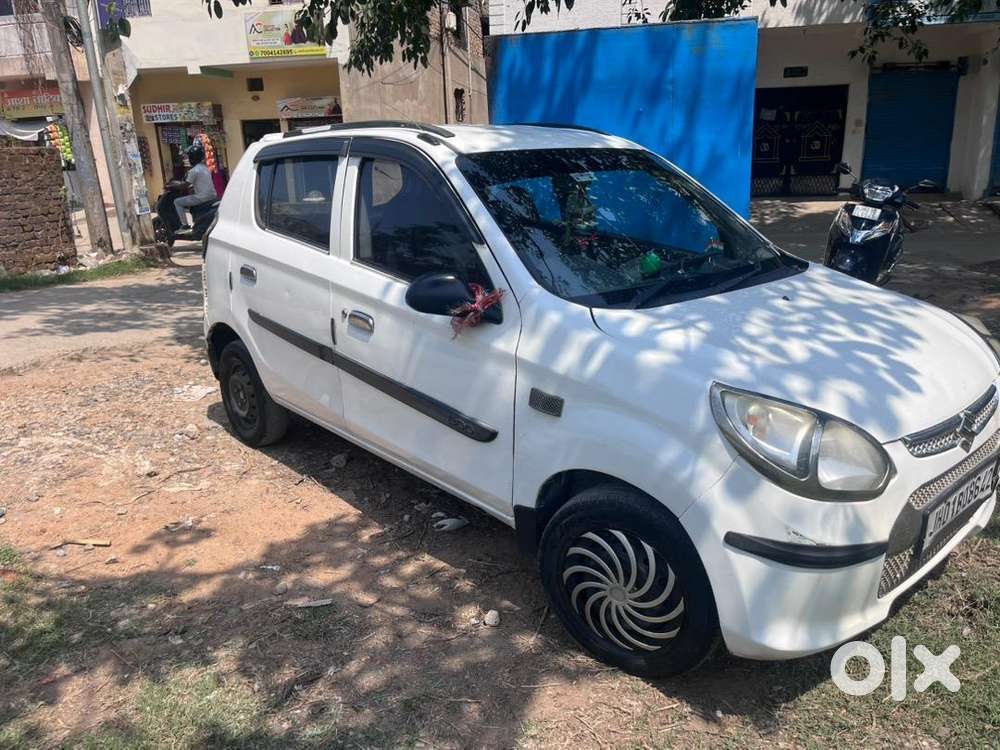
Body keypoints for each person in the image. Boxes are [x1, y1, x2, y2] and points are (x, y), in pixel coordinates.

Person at [175, 144, 217, 229]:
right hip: (212, 195)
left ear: (193, 157)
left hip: (202, 197)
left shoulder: (194, 170)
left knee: (177, 202)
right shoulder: (205, 168)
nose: (188, 159)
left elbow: (184, 185)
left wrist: (173, 186)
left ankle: (185, 225)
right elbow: (198, 183)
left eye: (189, 157)